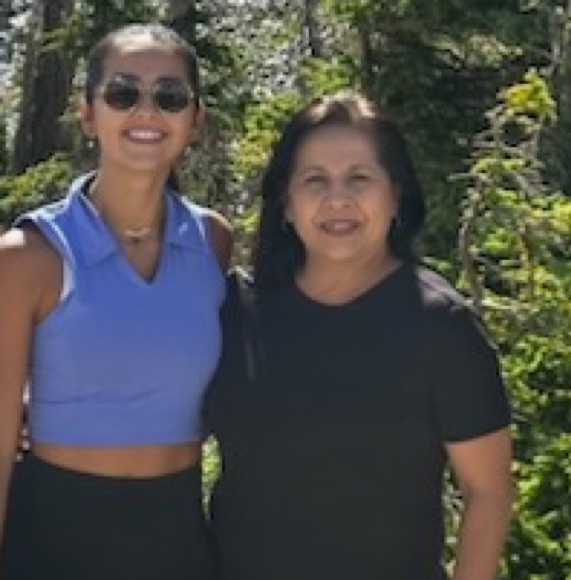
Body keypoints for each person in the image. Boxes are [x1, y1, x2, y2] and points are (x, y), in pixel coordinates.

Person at [204, 93, 513, 580]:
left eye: (360, 178)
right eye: (315, 180)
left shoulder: (440, 326)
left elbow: (488, 493)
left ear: (395, 196)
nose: (338, 199)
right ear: (286, 204)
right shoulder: (234, 313)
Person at [0, 23, 231, 579]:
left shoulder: (213, 241)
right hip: (51, 542)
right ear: (88, 114)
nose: (146, 111)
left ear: (195, 119)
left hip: (177, 541)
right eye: (123, 93)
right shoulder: (27, 256)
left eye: (170, 96)